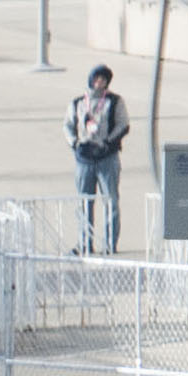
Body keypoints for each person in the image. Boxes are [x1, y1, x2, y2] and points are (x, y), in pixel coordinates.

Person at [67, 66, 127, 253]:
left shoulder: (114, 101)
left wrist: (109, 143)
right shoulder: (78, 102)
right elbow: (68, 125)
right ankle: (85, 243)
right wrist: (75, 143)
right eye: (97, 79)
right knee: (84, 202)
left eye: (103, 80)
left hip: (107, 158)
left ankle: (110, 244)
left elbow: (123, 124)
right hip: (84, 159)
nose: (99, 83)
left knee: (111, 201)